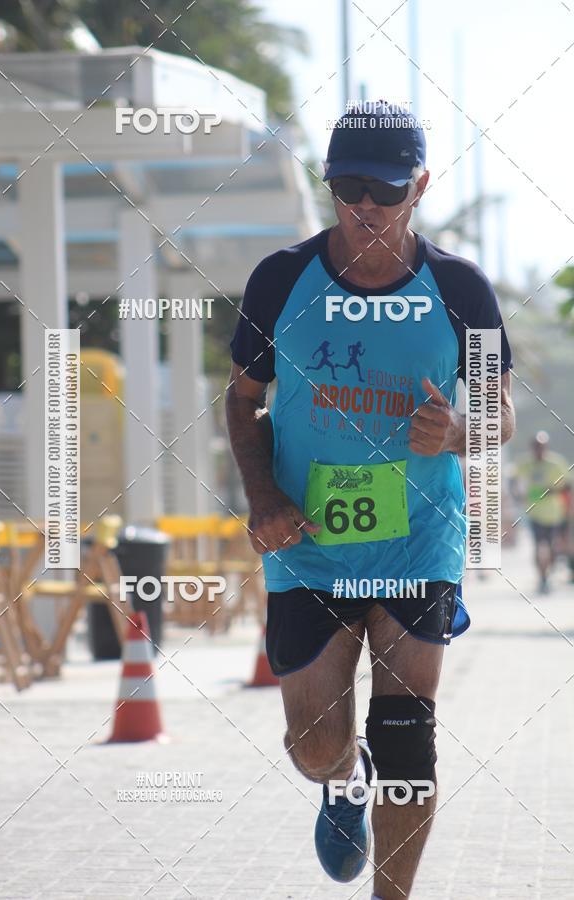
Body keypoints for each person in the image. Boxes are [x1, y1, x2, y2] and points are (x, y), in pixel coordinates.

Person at [226, 102, 515, 899]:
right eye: (346, 187)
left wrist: (457, 429)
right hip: (308, 544)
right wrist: (264, 495)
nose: (364, 209)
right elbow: (240, 398)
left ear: (419, 186)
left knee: (408, 737)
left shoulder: (461, 289)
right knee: (316, 744)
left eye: (383, 192)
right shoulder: (282, 278)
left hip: (417, 542)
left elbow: (501, 415)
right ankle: (341, 781)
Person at [514, 431, 570, 593]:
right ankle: (542, 578)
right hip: (534, 513)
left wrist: (550, 491)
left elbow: (566, 485)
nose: (539, 450)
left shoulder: (555, 463)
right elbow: (514, 480)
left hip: (554, 513)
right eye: (536, 447)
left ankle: (548, 573)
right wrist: (518, 493)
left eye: (541, 447)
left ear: (546, 447)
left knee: (552, 547)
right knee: (539, 546)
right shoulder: (525, 464)